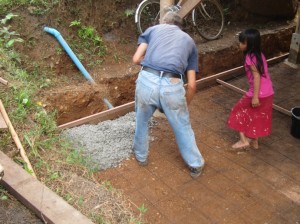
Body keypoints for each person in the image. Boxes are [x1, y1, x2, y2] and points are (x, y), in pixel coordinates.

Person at [132, 11, 205, 178]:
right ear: (180, 27)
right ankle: (196, 165)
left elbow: (136, 59)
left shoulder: (153, 30)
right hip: (172, 84)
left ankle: (141, 156)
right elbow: (192, 85)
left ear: (164, 22)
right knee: (182, 125)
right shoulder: (189, 42)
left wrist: (152, 64)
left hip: (147, 80)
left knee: (141, 120)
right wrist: (184, 104)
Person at [227, 28, 274, 150]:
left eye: (243, 43)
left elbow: (257, 76)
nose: (240, 45)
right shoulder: (260, 55)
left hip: (258, 93)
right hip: (269, 92)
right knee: (256, 115)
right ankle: (254, 141)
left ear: (250, 45)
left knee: (237, 111)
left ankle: (243, 141)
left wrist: (255, 96)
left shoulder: (249, 57)